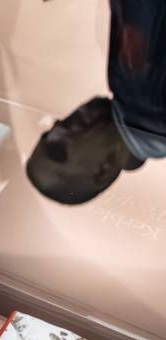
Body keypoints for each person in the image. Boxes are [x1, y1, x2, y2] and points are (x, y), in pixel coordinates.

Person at [27, 0, 166, 204]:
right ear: (102, 170)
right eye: (57, 150)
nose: (58, 127)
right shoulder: (144, 100)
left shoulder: (142, 108)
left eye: (48, 134)